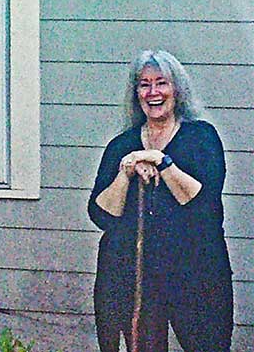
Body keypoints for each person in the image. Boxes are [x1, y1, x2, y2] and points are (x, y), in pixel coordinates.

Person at [88, 50, 233, 351]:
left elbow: (202, 204)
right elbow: (102, 215)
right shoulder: (122, 145)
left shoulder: (202, 138)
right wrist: (125, 172)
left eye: (161, 83)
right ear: (136, 93)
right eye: (144, 84)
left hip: (197, 276)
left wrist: (162, 162)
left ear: (177, 89)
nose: (153, 92)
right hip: (136, 278)